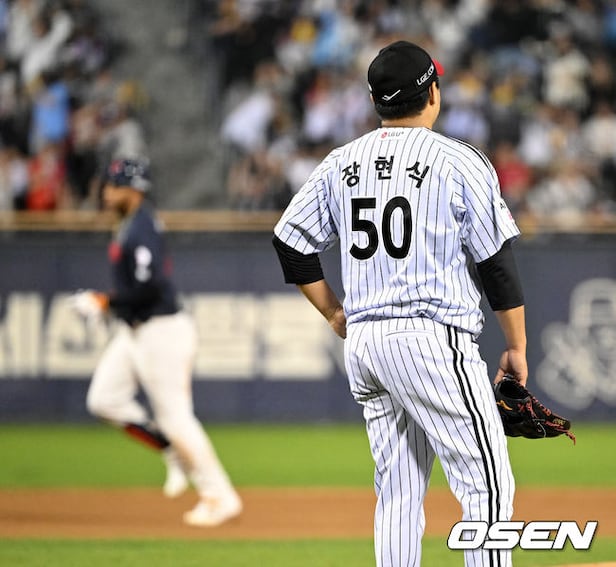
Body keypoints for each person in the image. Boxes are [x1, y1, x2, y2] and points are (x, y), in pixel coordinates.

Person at [272, 40, 527, 567]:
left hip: (366, 344)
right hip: (431, 340)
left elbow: (290, 241)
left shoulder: (341, 161)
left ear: (375, 102)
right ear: (433, 93)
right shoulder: (458, 160)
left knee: (398, 492)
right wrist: (517, 347)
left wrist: (334, 312)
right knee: (486, 485)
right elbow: (495, 263)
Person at [72, 157, 242, 527]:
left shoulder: (142, 227)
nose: (106, 192)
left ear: (134, 190)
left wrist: (105, 301)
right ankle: (170, 449)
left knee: (177, 418)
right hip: (135, 331)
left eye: (114, 185)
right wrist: (110, 305)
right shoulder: (129, 223)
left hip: (162, 331)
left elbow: (149, 286)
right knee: (104, 399)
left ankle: (220, 496)